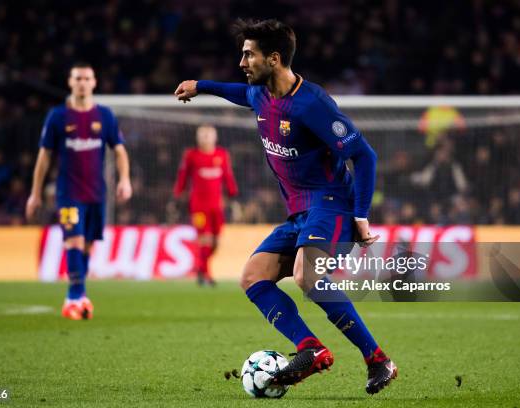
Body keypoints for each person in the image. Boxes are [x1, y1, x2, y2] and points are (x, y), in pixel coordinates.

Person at [174, 19, 396, 394]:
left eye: (249, 55)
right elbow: (235, 93)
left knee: (306, 275)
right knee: (252, 277)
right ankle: (311, 348)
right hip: (299, 213)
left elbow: (364, 155)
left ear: (274, 59)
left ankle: (378, 360)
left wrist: (360, 215)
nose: (242, 62)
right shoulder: (259, 94)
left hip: (332, 205)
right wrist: (202, 86)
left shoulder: (313, 104)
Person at [26, 62, 132, 320]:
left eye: (87, 78)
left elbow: (119, 150)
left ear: (94, 83)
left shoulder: (104, 116)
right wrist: (35, 193)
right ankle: (75, 296)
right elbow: (44, 156)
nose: (82, 83)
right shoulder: (58, 116)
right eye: (78, 78)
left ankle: (77, 294)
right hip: (68, 193)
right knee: (73, 240)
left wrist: (124, 179)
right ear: (70, 82)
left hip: (96, 193)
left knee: (87, 246)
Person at [173, 125, 238, 286]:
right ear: (198, 138)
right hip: (198, 206)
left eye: (209, 135)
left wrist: (232, 191)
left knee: (216, 242)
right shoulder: (191, 155)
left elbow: (228, 175)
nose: (206, 138)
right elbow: (183, 175)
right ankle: (207, 275)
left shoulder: (221, 155)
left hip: (217, 206)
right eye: (203, 135)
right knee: (204, 240)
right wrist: (177, 194)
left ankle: (201, 267)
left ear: (215, 137)